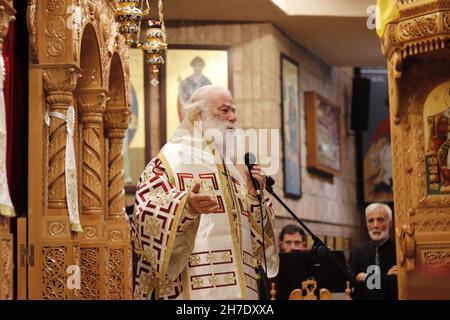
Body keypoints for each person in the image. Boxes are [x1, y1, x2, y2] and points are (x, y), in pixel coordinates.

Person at [131, 85, 279, 300]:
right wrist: (185, 206)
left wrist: (253, 196)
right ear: (199, 115)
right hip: (193, 290)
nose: (233, 117)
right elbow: (144, 213)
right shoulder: (172, 158)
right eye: (225, 110)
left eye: (234, 111)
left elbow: (256, 245)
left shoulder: (232, 169)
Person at [349, 203, 398, 300]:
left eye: (380, 220)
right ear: (366, 224)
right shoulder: (357, 253)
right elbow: (352, 285)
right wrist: (386, 278)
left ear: (390, 223)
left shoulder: (399, 252)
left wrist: (366, 277)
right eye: (371, 221)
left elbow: (396, 286)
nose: (375, 225)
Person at [177, 56, 212, 121]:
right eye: (196, 65)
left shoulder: (207, 81)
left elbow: (210, 98)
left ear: (203, 67)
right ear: (192, 66)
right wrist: (180, 85)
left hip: (202, 112)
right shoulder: (186, 81)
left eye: (200, 65)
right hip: (189, 111)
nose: (198, 68)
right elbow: (182, 98)